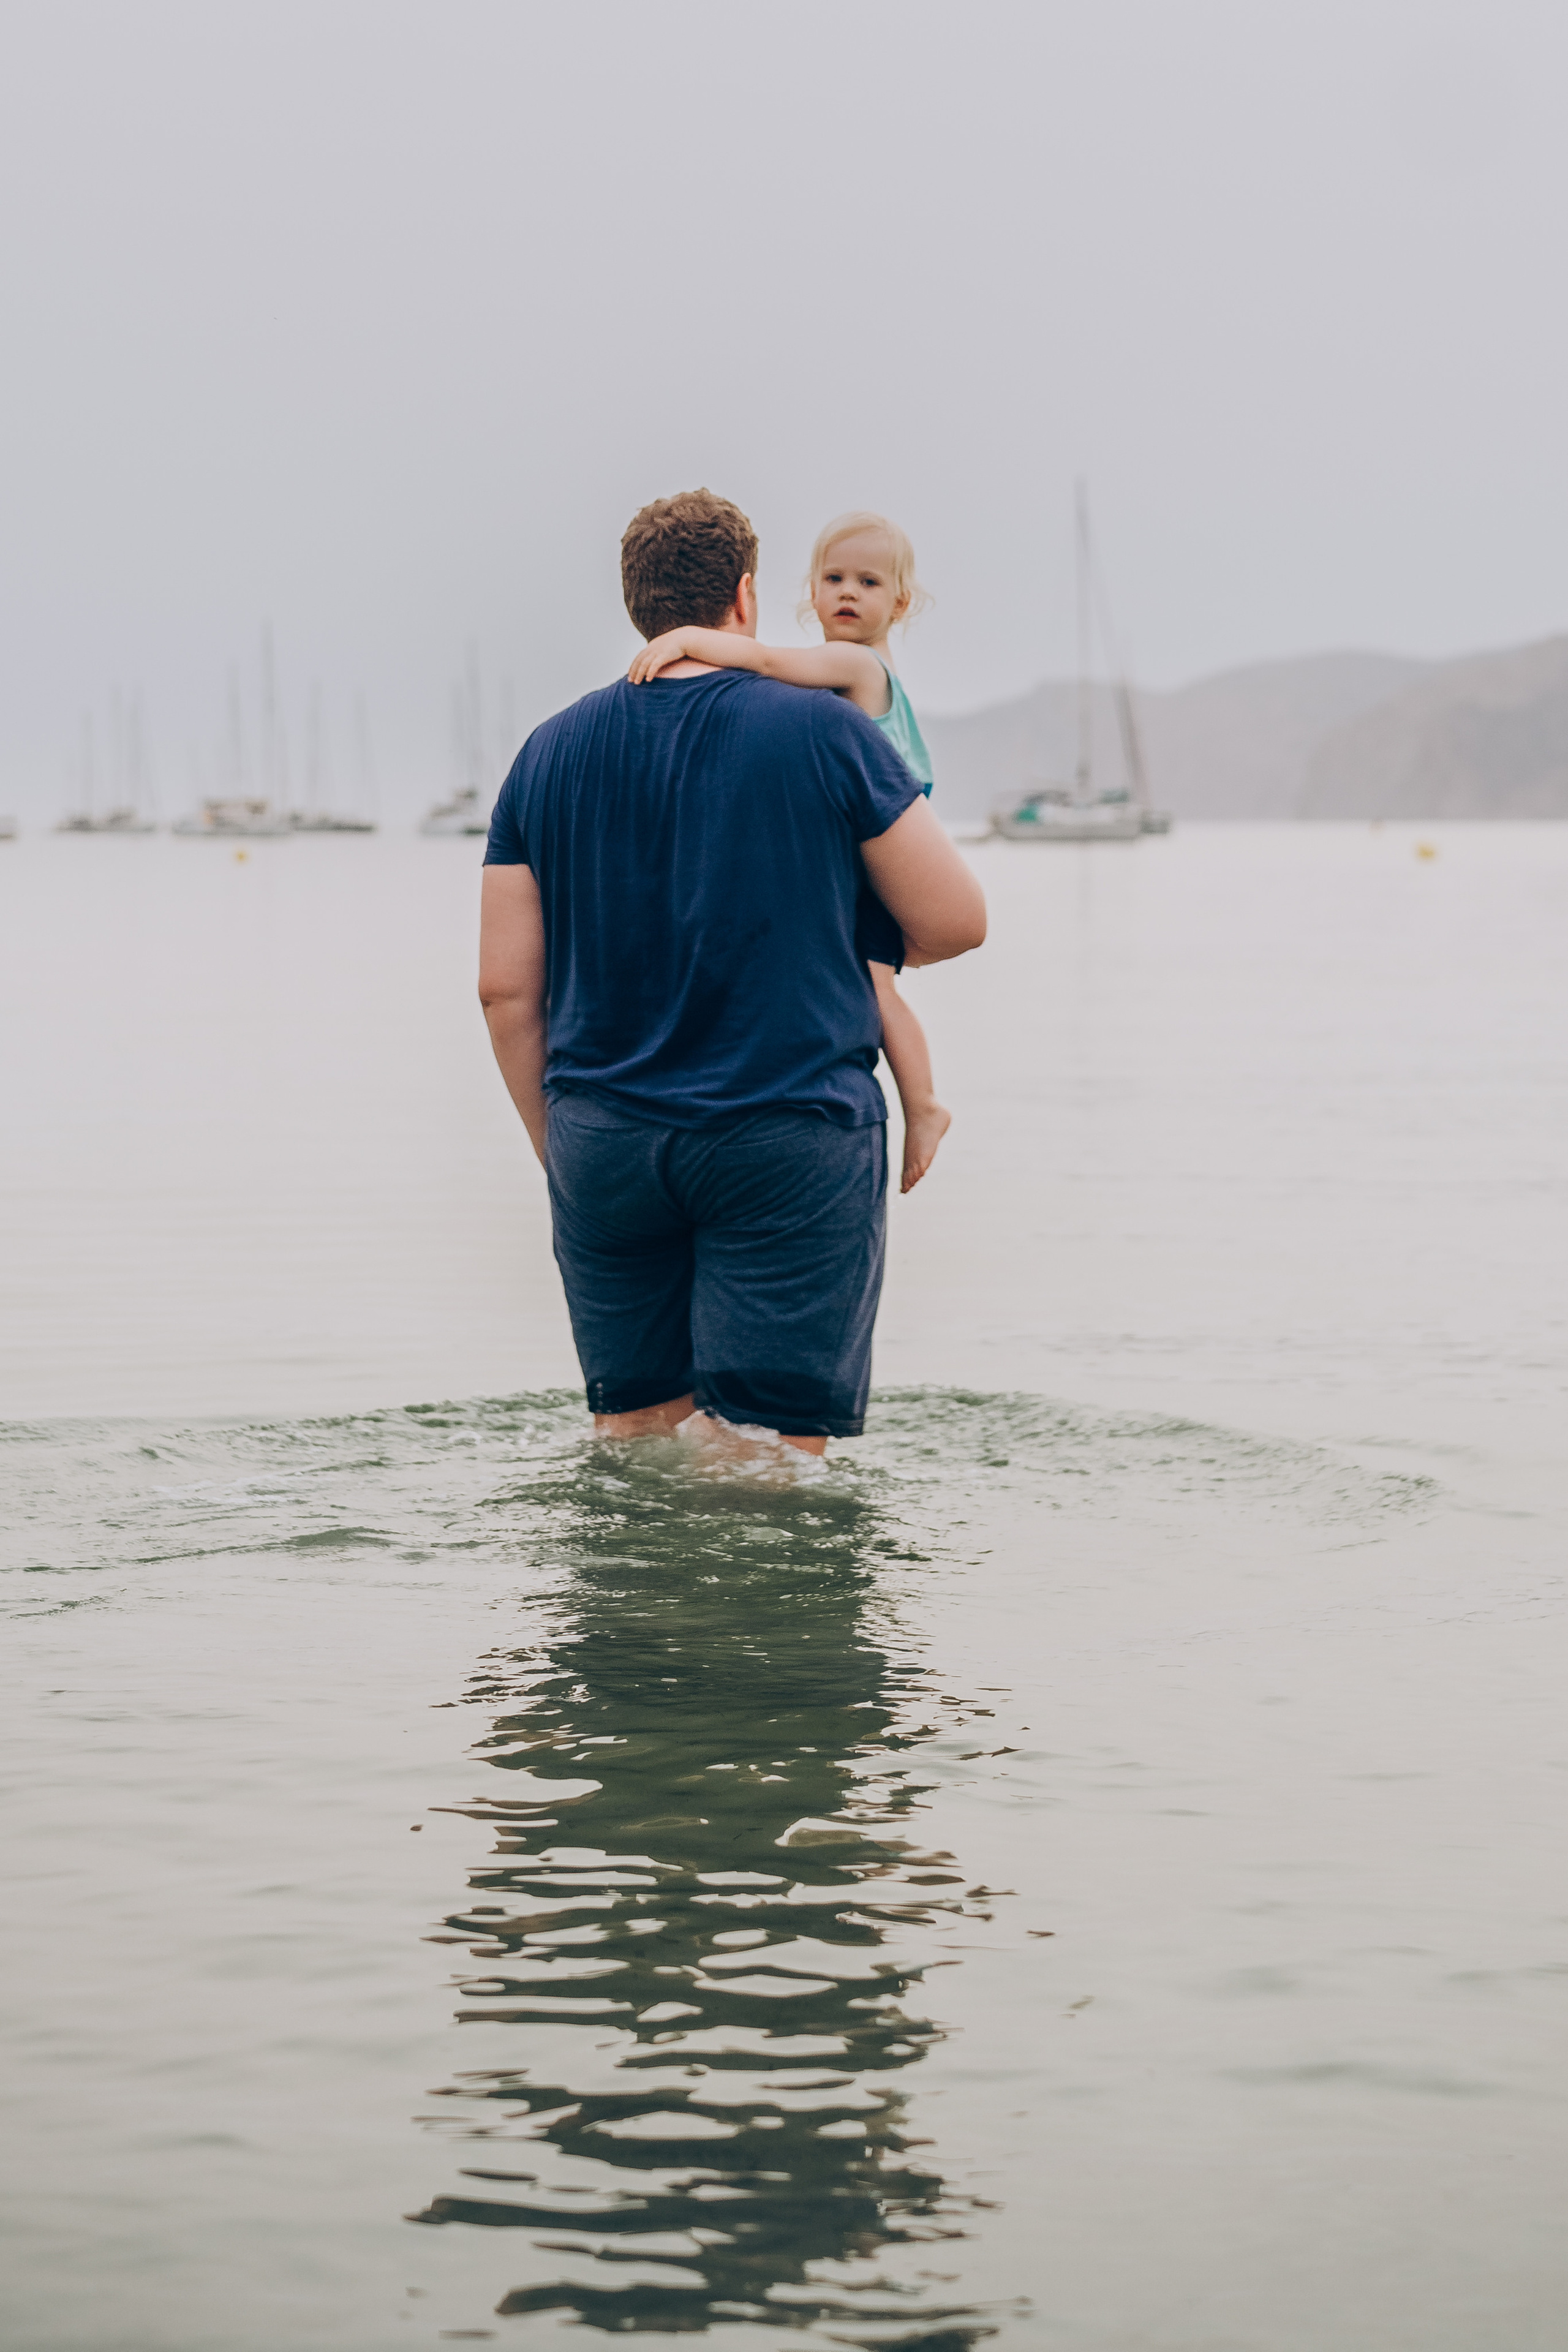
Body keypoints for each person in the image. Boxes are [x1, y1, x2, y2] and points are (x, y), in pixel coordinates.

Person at [478, 489, 986, 1457]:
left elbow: (505, 991)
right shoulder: (825, 729)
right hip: (784, 1136)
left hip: (604, 1141)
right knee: (761, 1471)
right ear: (746, 599)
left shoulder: (545, 753)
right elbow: (957, 922)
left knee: (631, 1443)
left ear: (637, 605)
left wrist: (570, 1156)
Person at [628, 511, 949, 1194]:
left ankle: (922, 1105)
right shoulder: (834, 670)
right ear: (809, 591)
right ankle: (913, 1100)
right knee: (868, 978)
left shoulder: (857, 663)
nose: (847, 593)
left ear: (899, 603)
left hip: (883, 845)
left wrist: (690, 639)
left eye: (867, 582)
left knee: (876, 984)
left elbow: (771, 663)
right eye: (833, 578)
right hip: (863, 838)